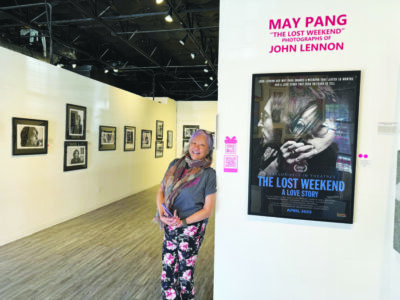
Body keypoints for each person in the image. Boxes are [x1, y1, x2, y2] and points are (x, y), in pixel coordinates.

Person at [154, 129, 216, 300]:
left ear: (208, 150)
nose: (196, 147)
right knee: (167, 272)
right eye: (194, 142)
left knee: (185, 275)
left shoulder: (209, 174)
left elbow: (207, 210)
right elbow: (161, 189)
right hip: (170, 225)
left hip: (190, 229)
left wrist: (182, 222)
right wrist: (162, 214)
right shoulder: (175, 164)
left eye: (202, 144)